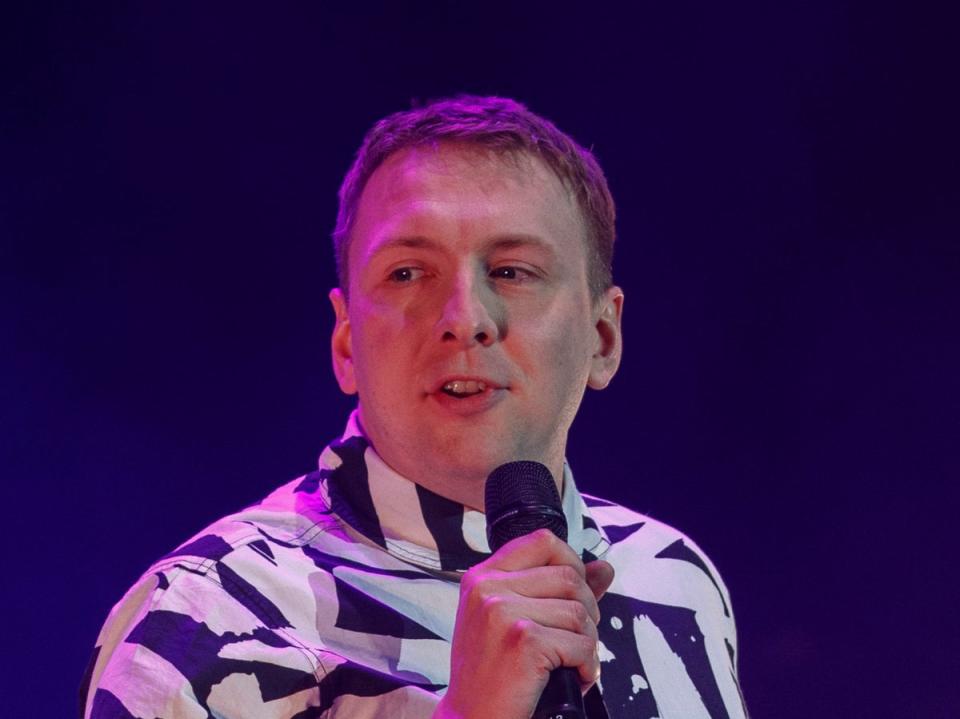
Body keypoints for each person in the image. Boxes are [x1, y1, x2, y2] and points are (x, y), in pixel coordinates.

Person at [81, 96, 747, 719]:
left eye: (512, 270)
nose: (465, 318)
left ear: (603, 337)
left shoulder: (673, 579)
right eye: (407, 273)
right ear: (346, 342)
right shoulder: (205, 612)